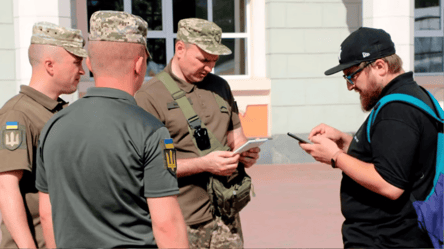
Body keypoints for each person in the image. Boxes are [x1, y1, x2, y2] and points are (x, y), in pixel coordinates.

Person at [35, 11, 189, 248]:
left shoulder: (53, 126)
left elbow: (47, 213)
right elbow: (167, 224)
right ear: (139, 64)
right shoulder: (150, 130)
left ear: (89, 63)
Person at [300, 27, 435, 248]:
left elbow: (390, 184)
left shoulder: (397, 110)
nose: (350, 85)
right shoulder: (415, 96)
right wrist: (345, 142)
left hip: (386, 238)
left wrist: (335, 156)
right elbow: (395, 156)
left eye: (352, 75)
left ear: (380, 66)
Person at [135, 18, 260, 248]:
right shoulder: (150, 96)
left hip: (226, 215)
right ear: (180, 48)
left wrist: (245, 152)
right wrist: (204, 164)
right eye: (203, 59)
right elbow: (149, 167)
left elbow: (236, 137)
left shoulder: (220, 86)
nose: (209, 68)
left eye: (214, 61)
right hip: (182, 219)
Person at [0, 22, 87, 248]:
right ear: (50, 65)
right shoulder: (18, 114)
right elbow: (5, 186)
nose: (82, 71)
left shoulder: (63, 111)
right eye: (76, 63)